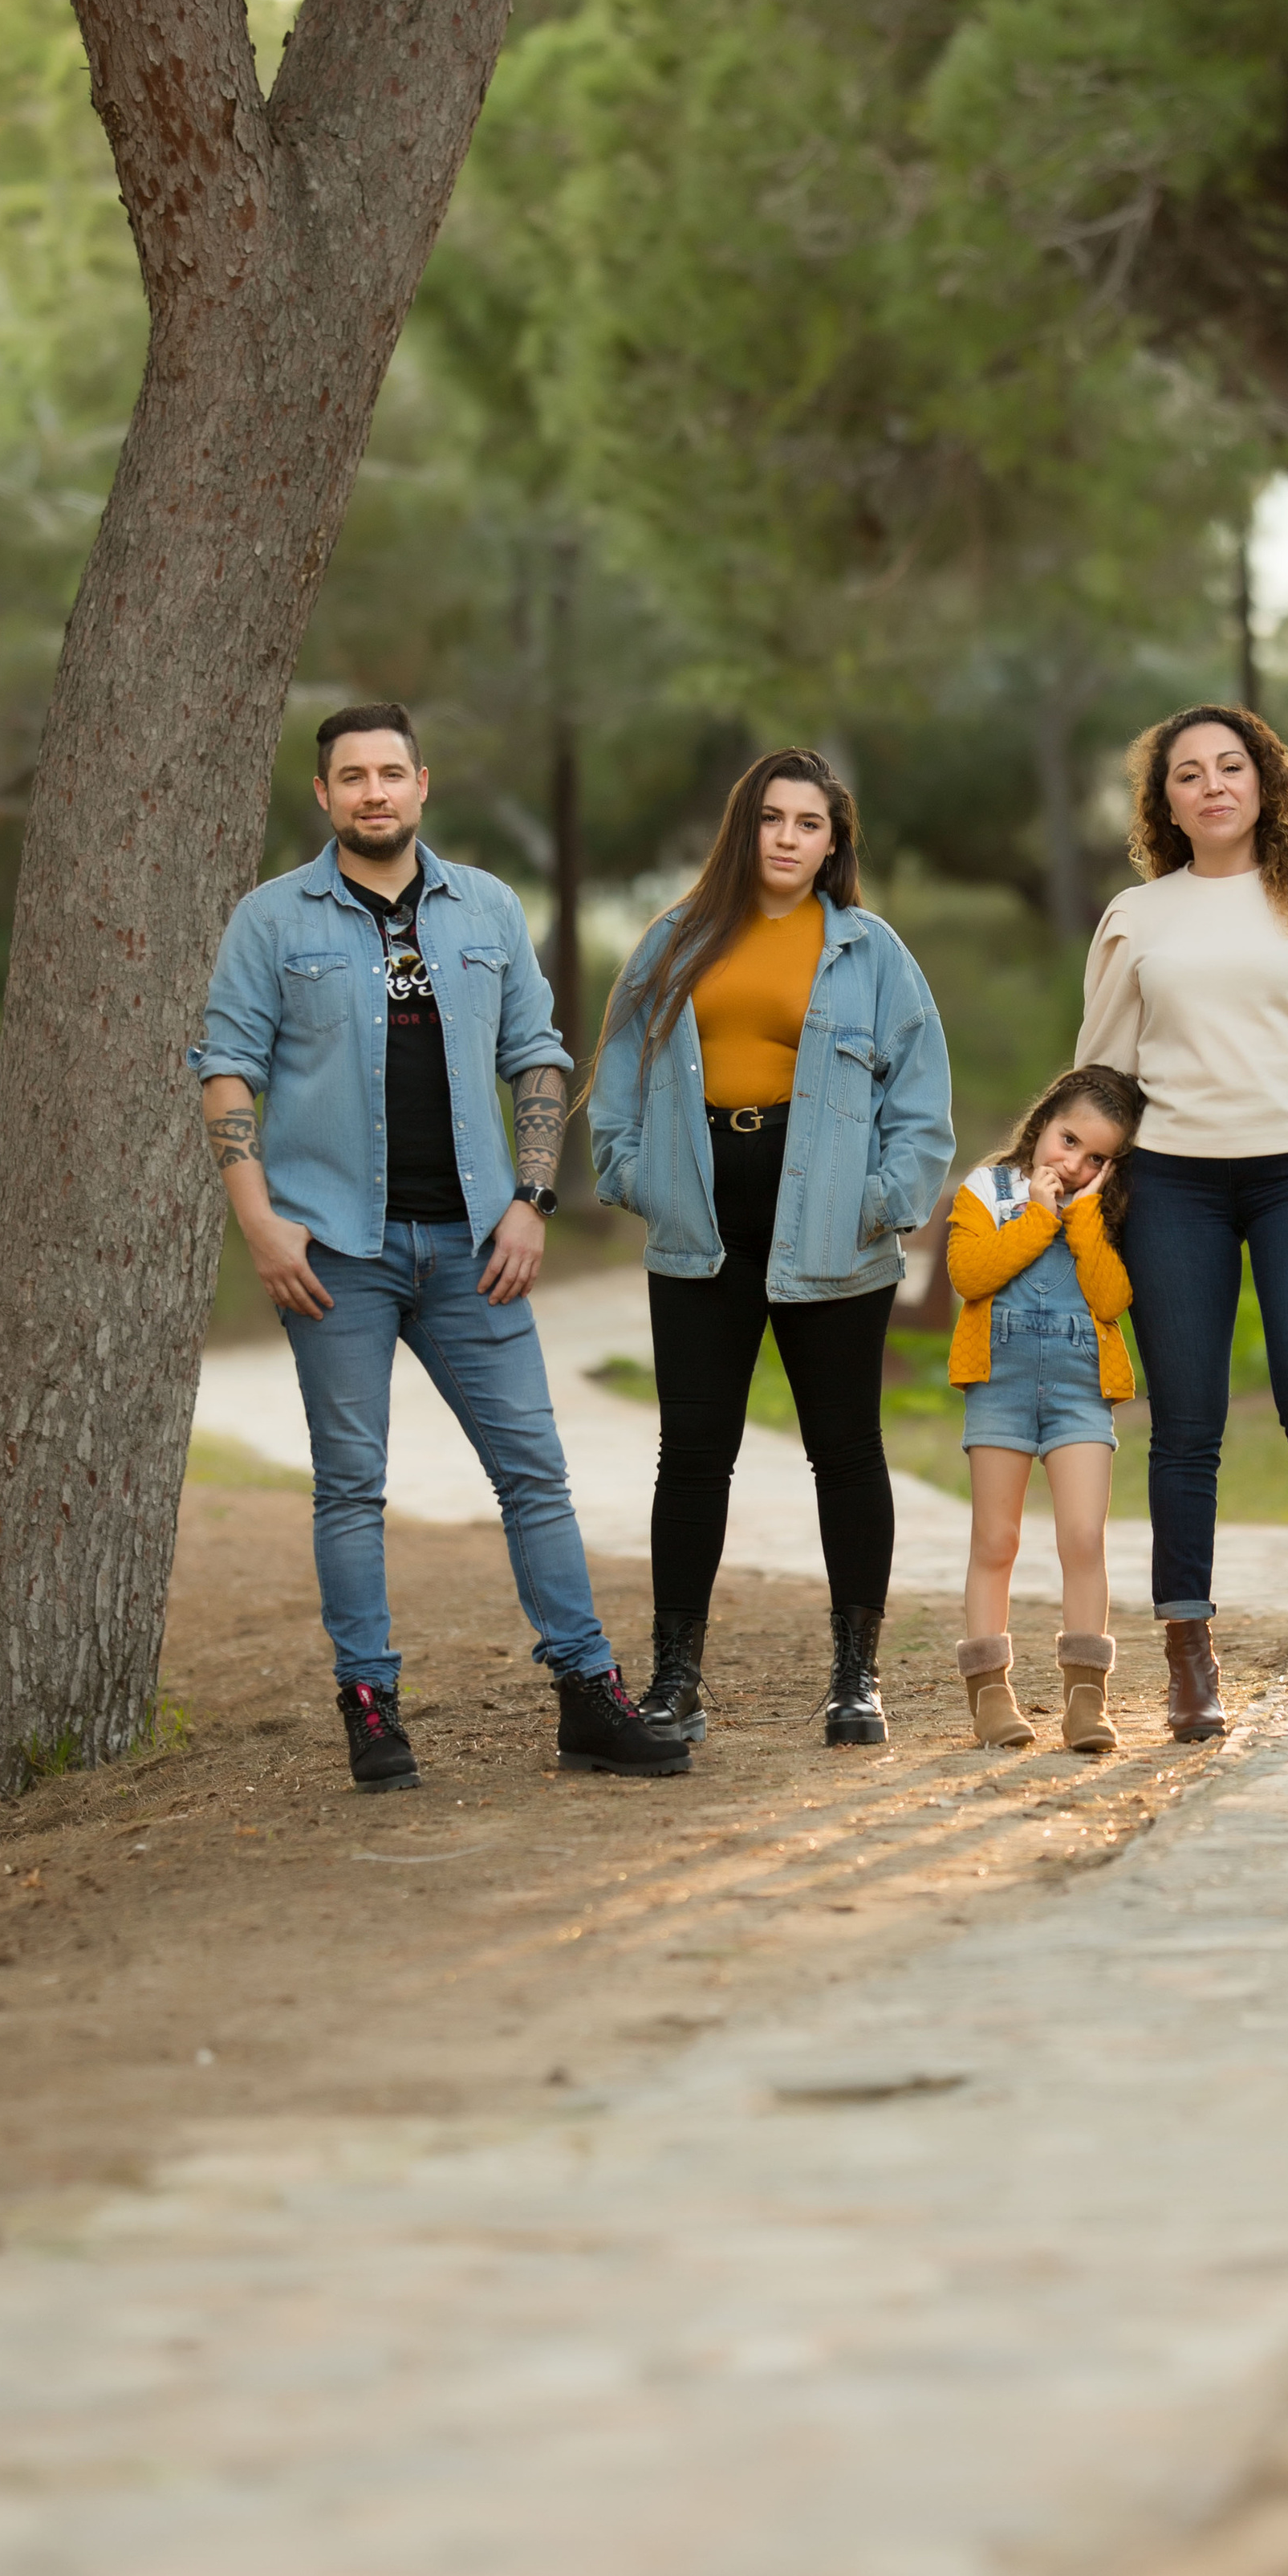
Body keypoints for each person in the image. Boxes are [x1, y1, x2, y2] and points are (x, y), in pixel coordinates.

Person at [189, 701, 689, 1789]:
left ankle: (588, 1697)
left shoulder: (491, 910)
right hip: (335, 1255)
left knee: (534, 1474)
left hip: (476, 1245)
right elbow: (226, 1065)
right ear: (322, 796)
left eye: (391, 773)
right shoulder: (273, 921)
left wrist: (532, 1200)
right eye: (351, 776)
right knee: (350, 1484)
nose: (373, 791)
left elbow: (540, 1059)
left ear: (423, 786)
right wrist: (260, 1220)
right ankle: (370, 1707)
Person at [587, 747, 954, 1747]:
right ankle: (674, 1679)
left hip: (831, 1219)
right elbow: (618, 1073)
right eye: (772, 819)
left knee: (846, 1451)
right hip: (701, 1221)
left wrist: (885, 1201)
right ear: (743, 827)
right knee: (693, 1455)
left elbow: (920, 1103)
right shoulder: (674, 939)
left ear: (833, 843)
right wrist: (633, 1176)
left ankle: (855, 1679)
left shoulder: (871, 952)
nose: (788, 839)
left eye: (809, 824)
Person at [1077, 704, 1288, 1736]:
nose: (1212, 785)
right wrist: (1075, 1189)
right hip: (1172, 1186)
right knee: (1184, 1428)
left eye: (1231, 767)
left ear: (1264, 783)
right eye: (1188, 774)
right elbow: (1105, 1075)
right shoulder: (1139, 917)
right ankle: (1187, 1656)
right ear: (1164, 802)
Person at [945, 1065, 1144, 1754]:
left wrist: (1084, 1218)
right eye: (1067, 1141)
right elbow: (970, 1275)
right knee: (995, 1541)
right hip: (999, 1388)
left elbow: (1112, 1299)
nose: (1075, 1163)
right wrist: (1038, 1217)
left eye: (1096, 1157)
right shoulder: (987, 1191)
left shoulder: (1108, 1214)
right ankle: (990, 1695)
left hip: (1078, 1393)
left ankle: (1086, 1697)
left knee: (1083, 1537)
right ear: (1043, 1122)